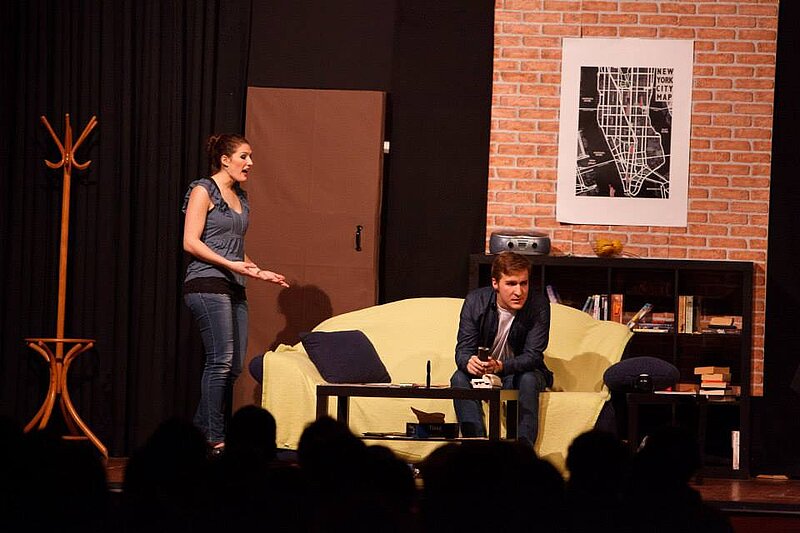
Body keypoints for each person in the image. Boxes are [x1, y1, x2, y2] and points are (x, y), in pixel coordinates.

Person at [183, 133, 289, 453]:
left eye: (250, 156)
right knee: (220, 360)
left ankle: (198, 433)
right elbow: (191, 242)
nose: (250, 162)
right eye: (244, 156)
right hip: (207, 282)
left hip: (234, 284)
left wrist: (257, 271)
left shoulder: (241, 197)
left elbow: (233, 248)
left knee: (233, 367)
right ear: (225, 160)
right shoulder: (204, 190)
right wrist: (232, 265)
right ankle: (215, 436)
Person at [450, 251, 552, 447]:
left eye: (524, 283)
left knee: (529, 378)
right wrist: (469, 362)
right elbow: (463, 350)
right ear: (495, 283)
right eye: (511, 284)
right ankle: (477, 448)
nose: (519, 292)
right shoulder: (475, 301)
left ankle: (523, 451)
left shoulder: (538, 304)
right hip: (485, 373)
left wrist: (500, 366)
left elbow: (533, 356)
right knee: (458, 378)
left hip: (520, 372)